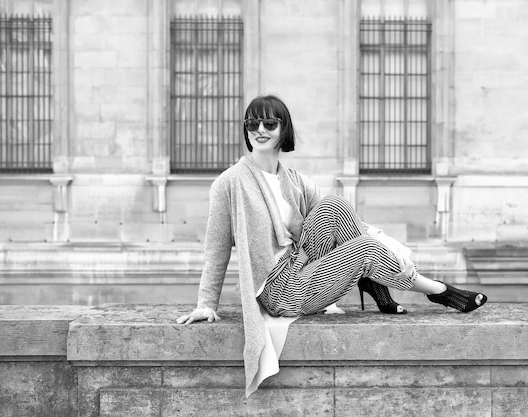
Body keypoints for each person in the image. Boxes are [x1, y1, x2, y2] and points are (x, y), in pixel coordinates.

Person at [176, 95, 487, 396]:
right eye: (252, 123)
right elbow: (216, 249)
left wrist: (395, 247)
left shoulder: (295, 180)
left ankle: (376, 280)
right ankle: (439, 291)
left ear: (284, 129)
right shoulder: (229, 183)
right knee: (364, 248)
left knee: (335, 205)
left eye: (269, 123)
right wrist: (206, 304)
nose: (260, 130)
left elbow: (347, 221)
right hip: (277, 290)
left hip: (299, 264)